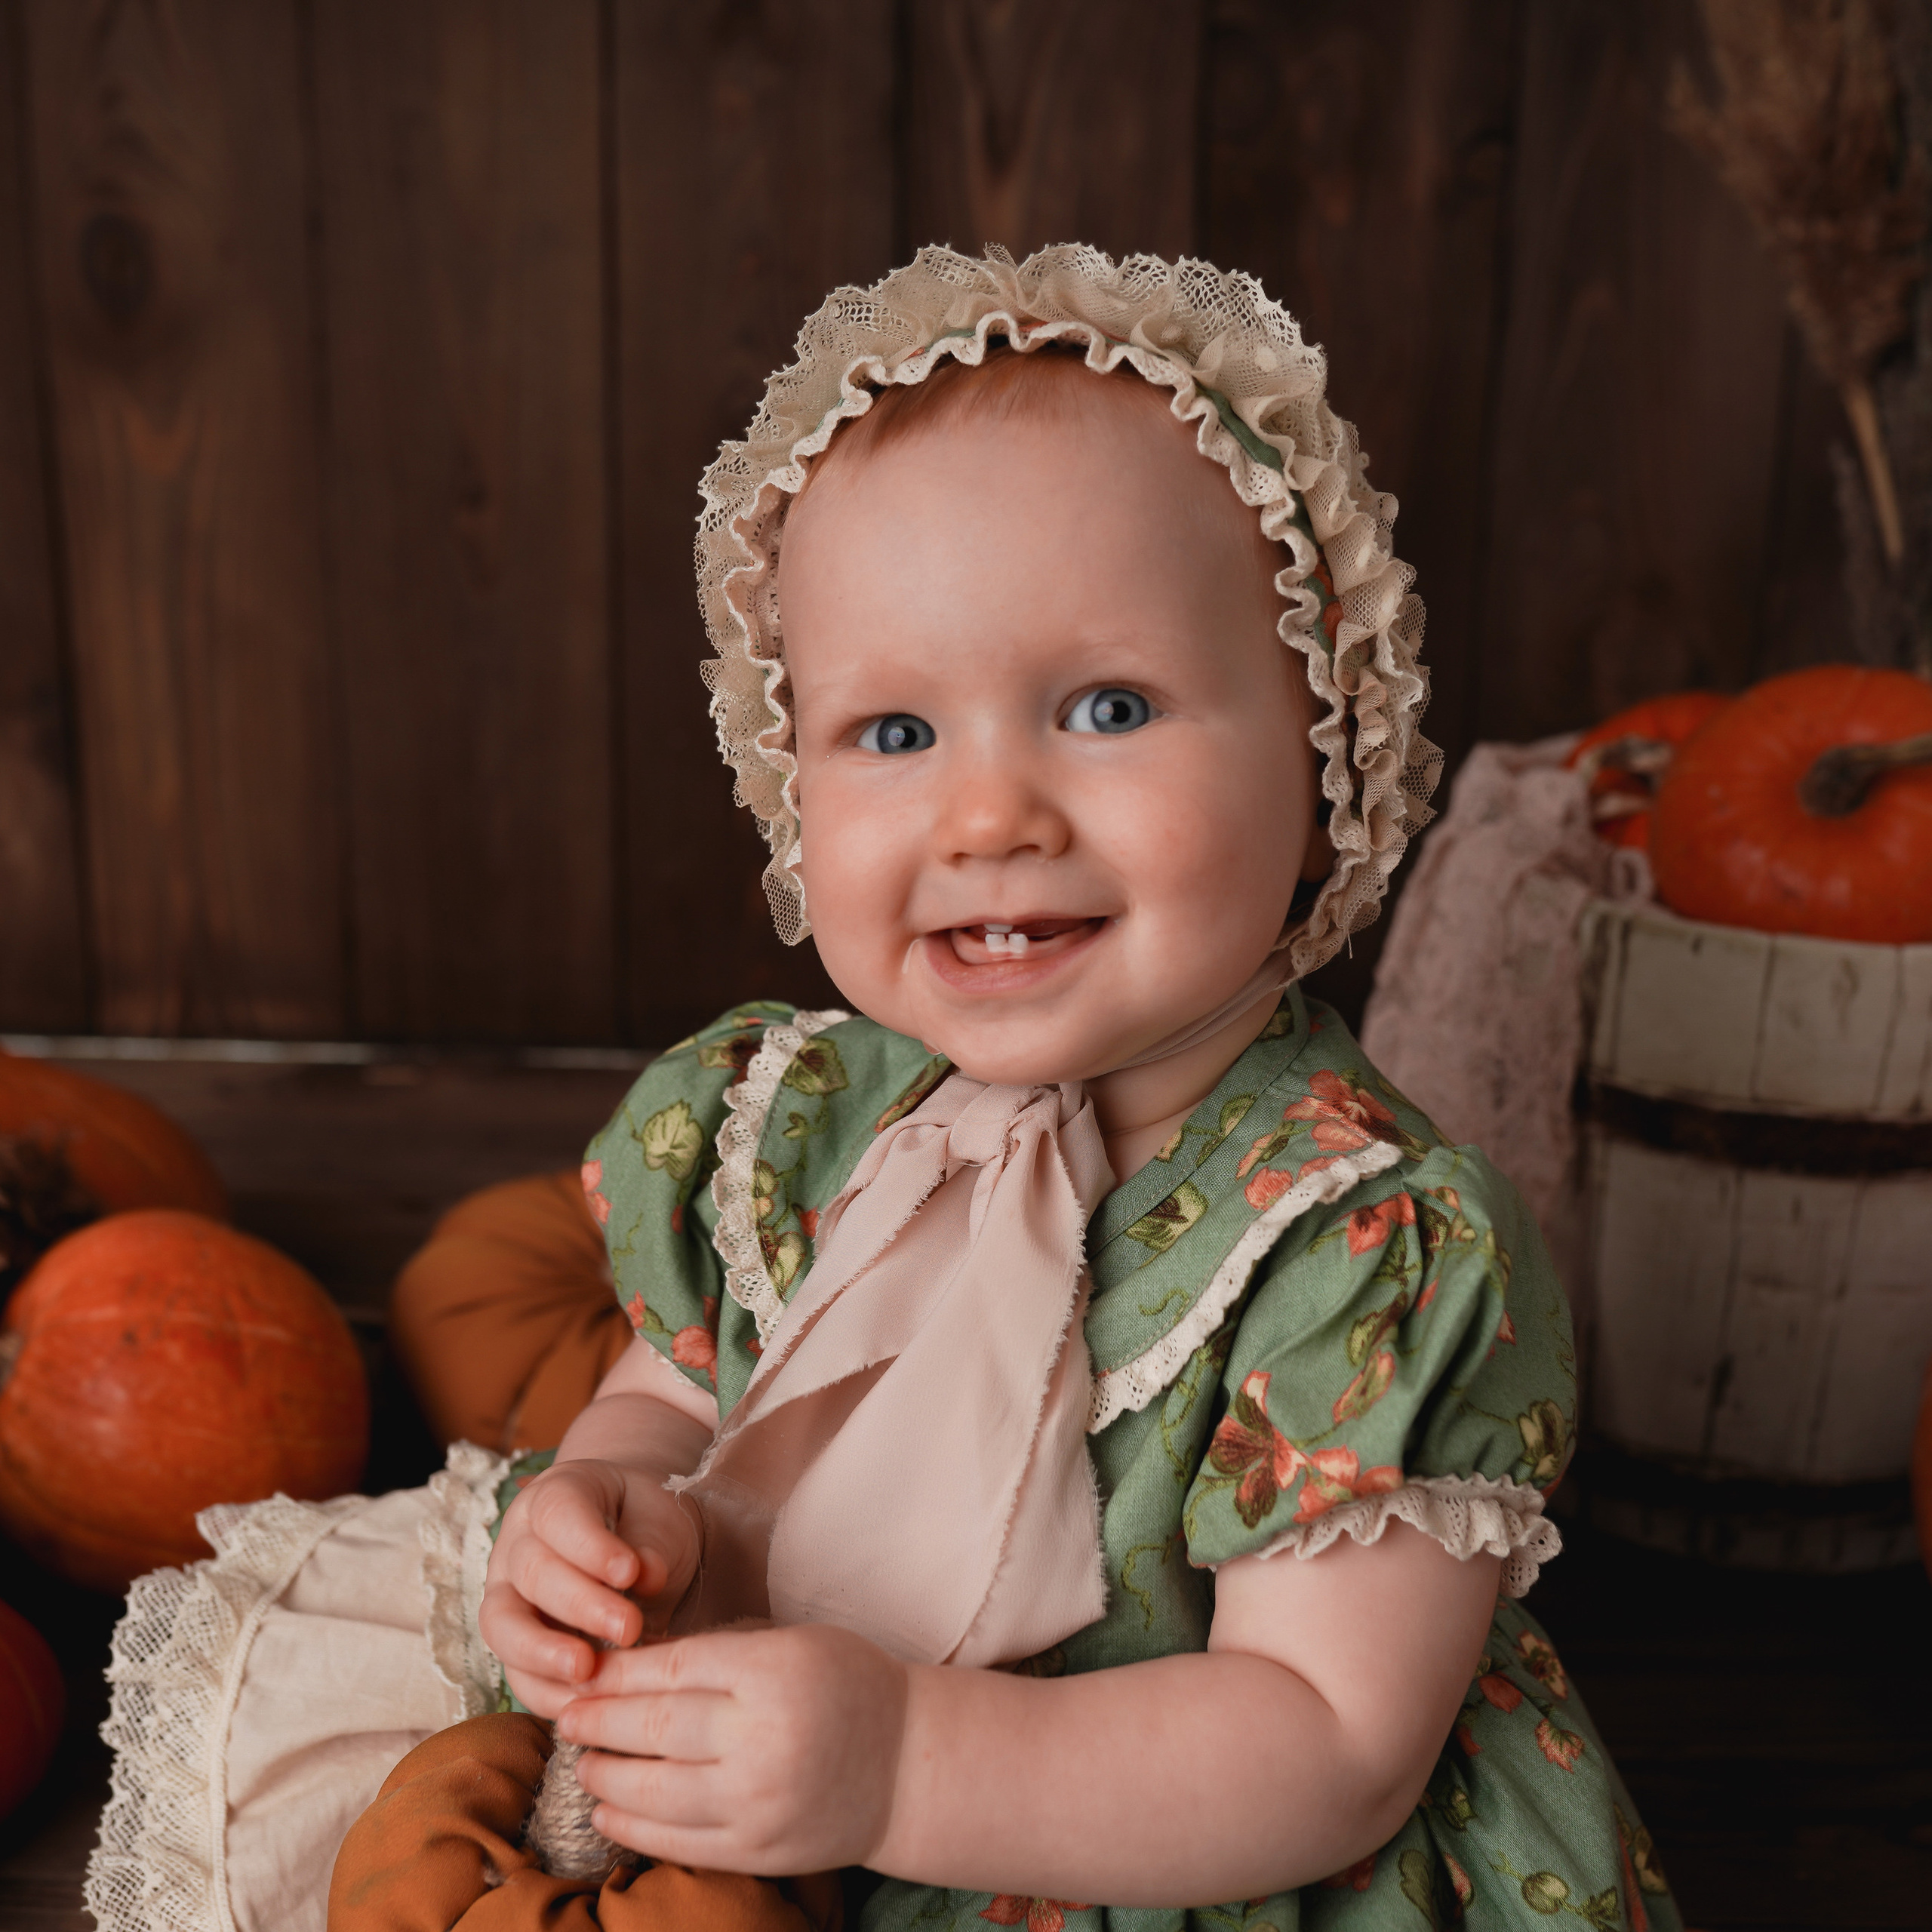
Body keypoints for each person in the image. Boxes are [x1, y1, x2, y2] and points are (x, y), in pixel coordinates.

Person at [90, 246, 1680, 1932]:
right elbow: (679, 1389)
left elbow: (1326, 1740)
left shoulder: (1363, 1246)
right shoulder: (798, 1115)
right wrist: (613, 1504)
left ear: (1327, 755)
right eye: (893, 733)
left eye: (1105, 705)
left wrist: (908, 1762)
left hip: (1184, 1859)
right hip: (766, 1784)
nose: (987, 812)